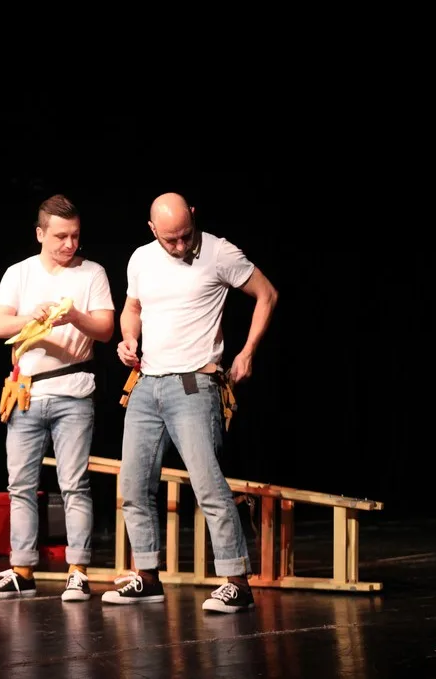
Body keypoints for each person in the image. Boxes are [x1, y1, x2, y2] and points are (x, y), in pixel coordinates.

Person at [104, 192, 278, 613]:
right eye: (171, 239)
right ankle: (147, 577)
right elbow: (132, 308)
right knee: (133, 485)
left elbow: (267, 294)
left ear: (194, 217)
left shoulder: (219, 252)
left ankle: (237, 582)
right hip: (146, 383)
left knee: (207, 484)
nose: (181, 245)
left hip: (193, 384)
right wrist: (128, 339)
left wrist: (248, 352)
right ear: (152, 230)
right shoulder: (141, 259)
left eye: (186, 235)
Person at [0, 194, 116, 602]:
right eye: (60, 236)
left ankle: (78, 570)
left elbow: (106, 329)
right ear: (40, 233)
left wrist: (74, 316)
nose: (69, 244)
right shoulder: (19, 273)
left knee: (74, 483)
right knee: (20, 485)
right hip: (26, 392)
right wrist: (33, 316)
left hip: (73, 391)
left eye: (75, 236)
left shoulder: (92, 272)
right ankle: (22, 570)